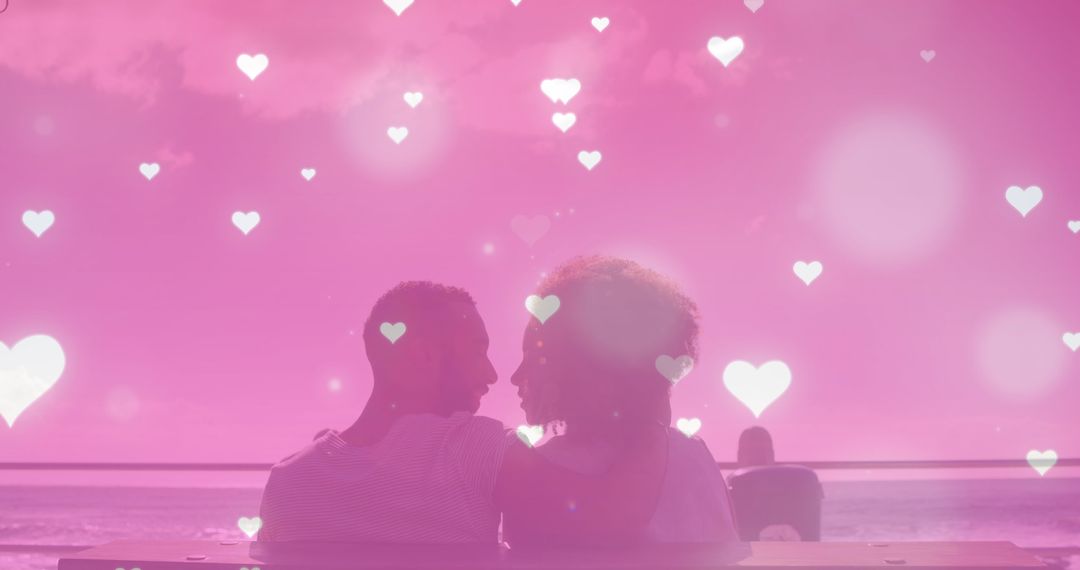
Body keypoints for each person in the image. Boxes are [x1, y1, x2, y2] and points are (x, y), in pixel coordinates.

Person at [257, 281, 668, 544]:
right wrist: (652, 415)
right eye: (477, 350)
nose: (491, 373)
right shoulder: (471, 447)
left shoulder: (288, 481)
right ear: (422, 356)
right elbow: (615, 519)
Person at [505, 256, 740, 545]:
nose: (516, 377)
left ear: (576, 365)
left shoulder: (542, 470)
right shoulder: (693, 454)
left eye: (532, 356)